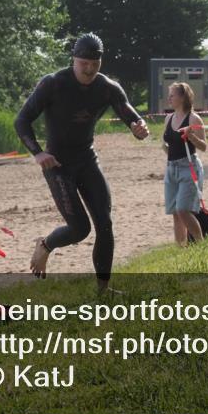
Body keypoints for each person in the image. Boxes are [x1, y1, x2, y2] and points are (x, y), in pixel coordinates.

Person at [14, 33, 149, 291]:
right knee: (79, 229)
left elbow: (130, 114)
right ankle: (45, 245)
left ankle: (103, 290)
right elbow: (21, 120)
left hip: (87, 160)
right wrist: (38, 153)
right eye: (83, 63)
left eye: (94, 64)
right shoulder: (53, 83)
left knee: (105, 225)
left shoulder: (107, 87)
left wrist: (138, 126)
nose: (88, 69)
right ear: (73, 59)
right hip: (57, 165)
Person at [161, 83, 207, 247]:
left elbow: (204, 147)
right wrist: (166, 149)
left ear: (182, 97)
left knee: (183, 210)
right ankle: (180, 249)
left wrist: (191, 136)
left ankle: (200, 244)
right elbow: (167, 144)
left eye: (172, 95)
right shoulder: (168, 118)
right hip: (171, 168)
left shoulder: (194, 119)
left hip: (189, 167)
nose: (169, 98)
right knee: (175, 212)